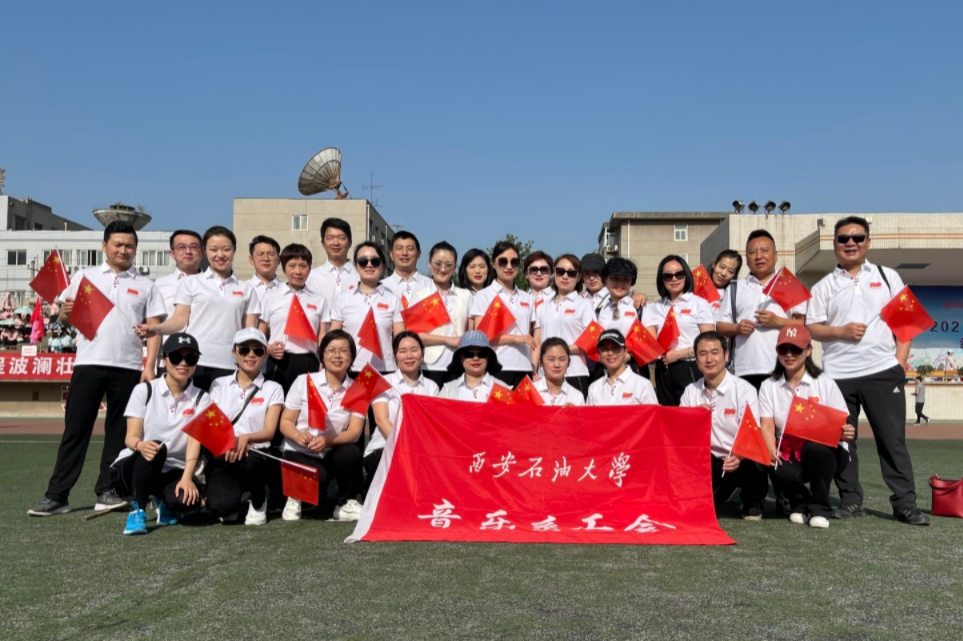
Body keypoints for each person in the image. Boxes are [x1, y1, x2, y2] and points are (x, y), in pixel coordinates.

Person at [29, 221, 166, 518]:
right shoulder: (84, 277)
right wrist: (65, 315)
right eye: (118, 244)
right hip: (88, 363)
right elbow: (66, 319)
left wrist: (150, 366)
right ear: (104, 246)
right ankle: (57, 496)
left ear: (136, 250)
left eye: (129, 246)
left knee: (118, 434)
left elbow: (155, 328)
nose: (124, 250)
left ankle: (108, 491)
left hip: (128, 367)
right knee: (75, 430)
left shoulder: (146, 285)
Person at [807, 215, 929, 525]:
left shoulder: (888, 277)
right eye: (844, 238)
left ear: (868, 242)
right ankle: (850, 500)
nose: (851, 243)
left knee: (892, 440)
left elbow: (906, 325)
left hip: (883, 373)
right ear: (834, 244)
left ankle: (904, 503)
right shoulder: (823, 286)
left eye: (858, 237)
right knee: (843, 440)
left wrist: (898, 365)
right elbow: (813, 328)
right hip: (837, 376)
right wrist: (841, 332)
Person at [136, 226, 260, 391]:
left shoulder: (247, 289)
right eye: (213, 249)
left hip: (230, 364)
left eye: (226, 249)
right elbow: (179, 320)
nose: (220, 255)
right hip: (194, 361)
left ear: (234, 250)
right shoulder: (191, 283)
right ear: (205, 252)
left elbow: (249, 332)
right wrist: (156, 329)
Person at [112, 333, 211, 535]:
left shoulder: (202, 397)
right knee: (157, 448)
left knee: (186, 501)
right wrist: (141, 445)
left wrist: (187, 478)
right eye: (176, 357)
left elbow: (195, 441)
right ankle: (137, 510)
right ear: (164, 360)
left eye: (190, 358)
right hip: (137, 464)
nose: (183, 363)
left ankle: (164, 502)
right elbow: (130, 437)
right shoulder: (144, 390)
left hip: (175, 468)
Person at [759, 326, 855, 529]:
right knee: (776, 467)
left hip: (825, 452)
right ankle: (800, 502)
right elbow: (766, 425)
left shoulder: (824, 382)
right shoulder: (768, 385)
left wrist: (846, 431)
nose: (789, 355)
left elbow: (841, 422)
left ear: (809, 350)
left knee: (815, 448)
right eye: (783, 349)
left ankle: (820, 508)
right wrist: (771, 450)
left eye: (796, 349)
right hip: (789, 449)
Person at [278, 330, 366, 522]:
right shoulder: (303, 381)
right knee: (320, 480)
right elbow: (285, 422)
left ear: (352, 357)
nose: (337, 355)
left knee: (352, 453)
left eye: (344, 350)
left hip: (331, 451)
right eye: (331, 350)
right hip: (300, 450)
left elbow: (354, 433)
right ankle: (295, 497)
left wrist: (327, 440)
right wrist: (298, 435)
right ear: (322, 355)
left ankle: (345, 503)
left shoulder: (359, 389)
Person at [680, 331, 767, 520]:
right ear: (696, 359)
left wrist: (738, 456)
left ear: (726, 356)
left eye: (715, 352)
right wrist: (692, 417)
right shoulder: (690, 391)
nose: (709, 359)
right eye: (703, 354)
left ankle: (752, 501)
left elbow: (753, 433)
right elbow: (680, 436)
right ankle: (721, 487)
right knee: (693, 509)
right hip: (708, 459)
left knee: (755, 463)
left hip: (740, 456)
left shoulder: (744, 389)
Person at [207, 329, 284, 525]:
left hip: (257, 455)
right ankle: (240, 496)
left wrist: (245, 438)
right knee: (221, 508)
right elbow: (213, 426)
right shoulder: (218, 384)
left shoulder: (273, 388)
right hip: (226, 455)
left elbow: (269, 432)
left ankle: (258, 501)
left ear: (264, 355)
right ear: (234, 353)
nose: (251, 355)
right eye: (244, 350)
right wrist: (230, 442)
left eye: (258, 350)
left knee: (253, 461)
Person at [716, 231, 807, 390]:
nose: (759, 256)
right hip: (744, 369)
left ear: (776, 255)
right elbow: (720, 326)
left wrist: (777, 321)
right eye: (752, 252)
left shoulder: (789, 284)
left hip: (782, 367)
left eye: (764, 250)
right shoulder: (736, 287)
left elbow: (804, 324)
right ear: (747, 259)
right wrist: (737, 328)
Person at [367, 332, 440, 491]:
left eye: (414, 350)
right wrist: (406, 448)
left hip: (421, 452)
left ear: (422, 353)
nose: (409, 356)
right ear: (395, 355)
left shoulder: (432, 387)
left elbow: (431, 425)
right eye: (402, 351)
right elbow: (381, 420)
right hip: (384, 449)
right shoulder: (383, 382)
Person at [642, 255, 715, 406]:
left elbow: (709, 342)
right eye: (668, 276)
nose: (674, 279)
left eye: (679, 274)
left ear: (686, 275)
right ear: (661, 279)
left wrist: (679, 354)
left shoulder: (699, 304)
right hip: (663, 369)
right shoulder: (654, 307)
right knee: (668, 415)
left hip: (690, 366)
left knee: (691, 413)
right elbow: (650, 343)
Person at [259, 243, 329, 393]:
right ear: (284, 267)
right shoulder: (271, 296)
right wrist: (268, 348)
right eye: (292, 266)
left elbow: (322, 336)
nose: (298, 271)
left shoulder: (319, 300)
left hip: (308, 362)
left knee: (306, 405)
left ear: (310, 268)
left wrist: (324, 361)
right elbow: (260, 332)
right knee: (277, 403)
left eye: (303, 266)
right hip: (279, 361)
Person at [330, 242, 404, 374]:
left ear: (382, 265)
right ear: (356, 266)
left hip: (385, 369)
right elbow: (333, 337)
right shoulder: (342, 299)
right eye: (363, 261)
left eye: (375, 261)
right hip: (350, 369)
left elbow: (400, 339)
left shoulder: (393, 300)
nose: (369, 265)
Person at [470, 241, 535, 388]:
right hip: (498, 366)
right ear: (494, 264)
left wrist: (534, 368)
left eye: (514, 262)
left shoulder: (527, 297)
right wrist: (517, 339)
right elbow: (482, 336)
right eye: (503, 262)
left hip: (524, 367)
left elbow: (534, 337)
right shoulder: (484, 295)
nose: (509, 266)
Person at [409, 241, 471, 387]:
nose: (443, 269)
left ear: (455, 267)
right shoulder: (420, 296)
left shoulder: (465, 295)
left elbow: (469, 331)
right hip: (429, 366)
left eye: (448, 265)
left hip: (458, 366)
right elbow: (413, 336)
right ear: (429, 264)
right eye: (438, 264)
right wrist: (447, 340)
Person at [533, 254, 594, 396]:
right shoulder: (543, 306)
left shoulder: (585, 305)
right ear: (554, 273)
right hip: (544, 375)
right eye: (560, 271)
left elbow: (590, 341)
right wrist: (535, 372)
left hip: (574, 372)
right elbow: (536, 343)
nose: (565, 276)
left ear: (579, 277)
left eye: (571, 273)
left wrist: (558, 353)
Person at [152, 230, 203, 370]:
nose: (188, 251)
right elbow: (154, 324)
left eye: (194, 247)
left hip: (202, 361)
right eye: (181, 247)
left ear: (202, 253)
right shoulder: (158, 285)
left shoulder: (213, 286)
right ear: (172, 253)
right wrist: (151, 366)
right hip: (169, 360)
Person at [587, 330, 658, 406]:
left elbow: (654, 413)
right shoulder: (594, 388)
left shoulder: (643, 385)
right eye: (605, 349)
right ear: (599, 354)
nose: (610, 353)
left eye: (615, 348)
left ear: (625, 351)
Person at [306, 217, 360, 314]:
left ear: (350, 243)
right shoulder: (311, 277)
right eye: (330, 238)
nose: (336, 243)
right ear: (323, 244)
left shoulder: (360, 276)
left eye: (341, 238)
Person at [440, 330, 510, 401]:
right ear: (461, 357)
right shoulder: (448, 390)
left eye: (482, 353)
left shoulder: (503, 388)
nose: (476, 358)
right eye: (469, 354)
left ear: (488, 357)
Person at [381, 231, 431, 308]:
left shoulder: (431, 286)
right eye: (399, 248)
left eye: (410, 248)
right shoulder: (382, 287)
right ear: (391, 254)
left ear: (418, 254)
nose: (404, 253)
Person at [534, 337, 585, 406]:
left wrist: (576, 412)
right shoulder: (530, 391)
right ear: (541, 362)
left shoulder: (577, 396)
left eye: (562, 359)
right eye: (551, 359)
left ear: (569, 362)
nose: (557, 365)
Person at [707, 249, 743, 323]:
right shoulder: (694, 287)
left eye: (730, 271)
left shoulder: (735, 297)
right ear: (714, 264)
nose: (723, 273)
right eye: (722, 267)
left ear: (735, 275)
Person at [247, 235, 282, 302]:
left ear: (279, 260)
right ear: (251, 260)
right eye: (260, 254)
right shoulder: (243, 289)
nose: (266, 259)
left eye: (271, 254)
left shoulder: (289, 291)